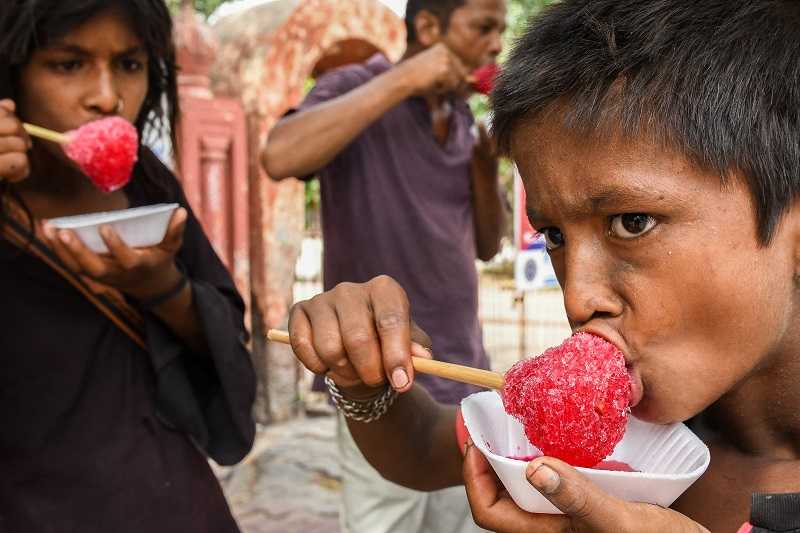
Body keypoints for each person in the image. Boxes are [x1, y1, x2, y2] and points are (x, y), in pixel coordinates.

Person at [285, 0, 800, 531]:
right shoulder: (614, 425)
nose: (577, 298)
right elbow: (419, 448)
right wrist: (364, 381)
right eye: (554, 235)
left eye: (632, 223)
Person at [0, 2, 256, 531]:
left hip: (174, 503)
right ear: (12, 71)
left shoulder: (146, 182)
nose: (108, 97)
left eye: (130, 65)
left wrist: (159, 286)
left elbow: (227, 338)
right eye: (68, 65)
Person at [263, 1, 507, 531]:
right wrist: (403, 80)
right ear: (426, 27)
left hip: (463, 370)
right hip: (378, 379)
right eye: (483, 27)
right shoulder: (358, 83)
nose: (495, 46)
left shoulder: (464, 118)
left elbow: (488, 247)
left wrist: (485, 169)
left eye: (500, 32)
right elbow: (279, 156)